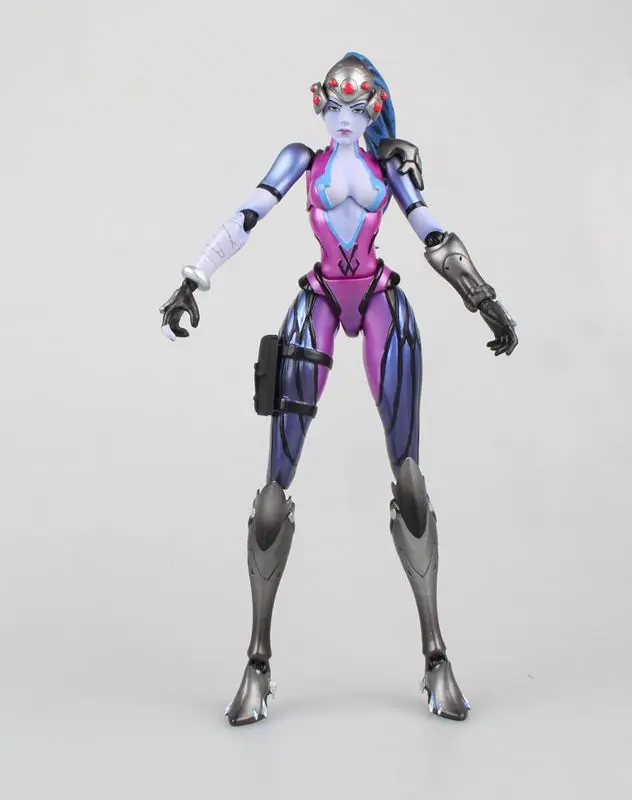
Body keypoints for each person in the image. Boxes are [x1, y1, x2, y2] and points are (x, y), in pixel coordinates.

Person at [159, 52, 518, 725]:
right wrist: (192, 279)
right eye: (336, 107)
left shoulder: (389, 165)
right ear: (319, 105)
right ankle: (257, 662)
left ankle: (436, 655)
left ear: (373, 109)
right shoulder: (303, 159)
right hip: (320, 296)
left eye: (358, 108)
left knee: (410, 478)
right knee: (274, 487)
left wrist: (484, 299)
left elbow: (432, 233)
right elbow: (246, 215)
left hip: (380, 296)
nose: (346, 119)